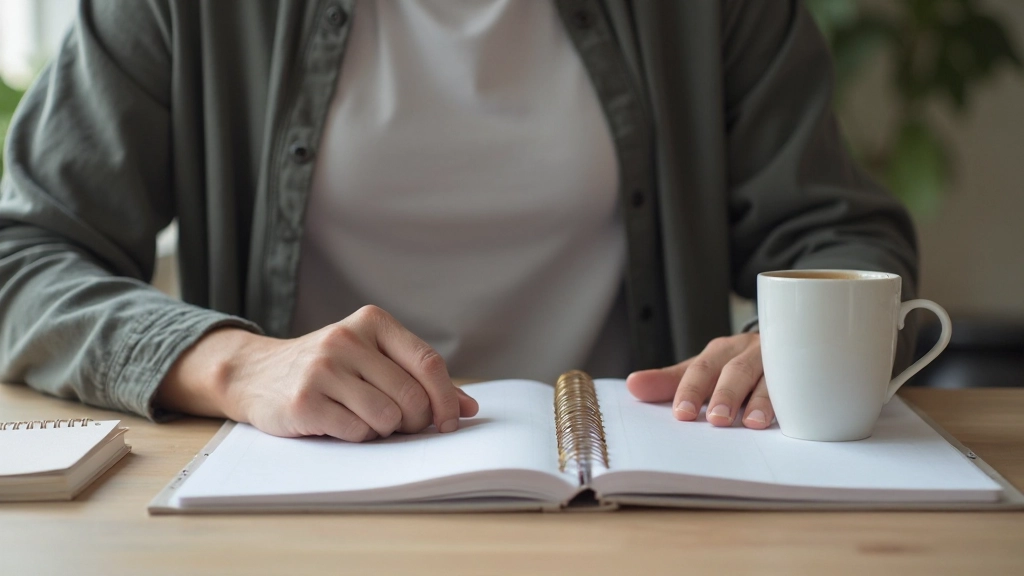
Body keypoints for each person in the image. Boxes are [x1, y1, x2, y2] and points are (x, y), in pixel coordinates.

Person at [0, 0, 918, 442]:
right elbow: (24, 252)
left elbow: (839, 234)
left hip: (637, 503)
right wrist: (234, 362)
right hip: (307, 497)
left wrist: (780, 347)